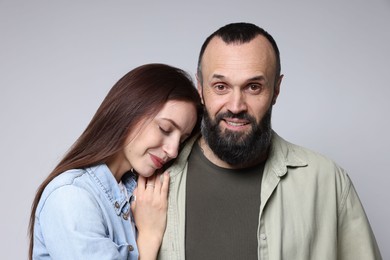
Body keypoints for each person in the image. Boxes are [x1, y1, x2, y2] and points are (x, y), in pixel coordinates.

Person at [157, 23, 382, 260]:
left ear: (276, 89)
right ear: (201, 88)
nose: (236, 106)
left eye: (253, 87)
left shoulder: (328, 182)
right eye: (221, 87)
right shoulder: (156, 177)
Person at [28, 63, 202, 260]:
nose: (173, 150)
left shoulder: (140, 196)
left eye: (182, 139)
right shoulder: (71, 196)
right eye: (165, 129)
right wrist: (149, 237)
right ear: (129, 111)